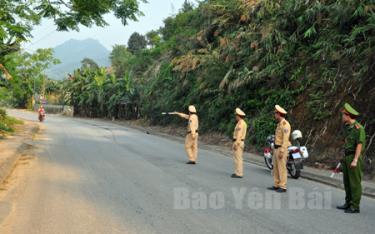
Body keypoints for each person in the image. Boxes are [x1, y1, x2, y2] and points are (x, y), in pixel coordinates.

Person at [337, 103, 366, 214]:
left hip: (354, 157)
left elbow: (359, 144)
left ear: (348, 115)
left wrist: (355, 160)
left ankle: (355, 206)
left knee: (355, 183)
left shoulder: (359, 129)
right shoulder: (347, 127)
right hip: (346, 156)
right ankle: (348, 203)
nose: (342, 117)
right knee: (347, 182)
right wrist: (343, 155)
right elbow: (345, 141)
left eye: (343, 115)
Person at [268, 105, 291, 193]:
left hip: (282, 149)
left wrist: (282, 150)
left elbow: (285, 139)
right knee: (276, 168)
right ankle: (276, 184)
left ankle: (283, 186)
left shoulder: (285, 125)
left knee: (282, 168)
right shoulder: (279, 124)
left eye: (275, 113)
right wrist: (274, 149)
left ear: (279, 114)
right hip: (276, 148)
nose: (274, 115)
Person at [231, 108, 247, 178]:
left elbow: (239, 134)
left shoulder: (241, 123)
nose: (235, 117)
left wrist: (236, 143)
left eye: (236, 115)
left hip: (239, 142)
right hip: (238, 141)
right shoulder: (239, 123)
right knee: (236, 158)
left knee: (238, 158)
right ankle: (237, 172)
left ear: (239, 116)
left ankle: (239, 173)